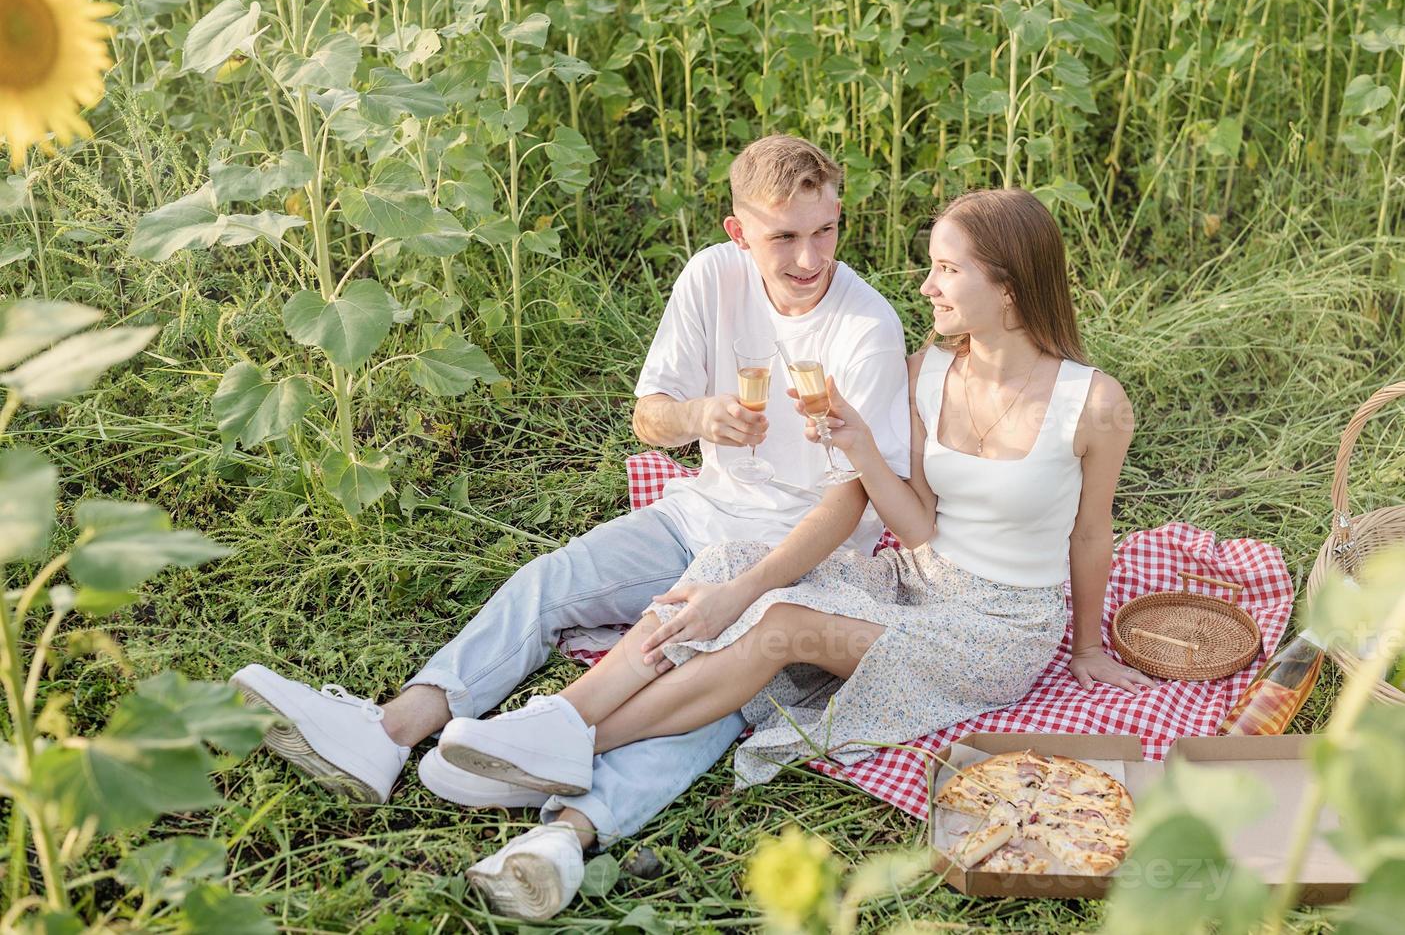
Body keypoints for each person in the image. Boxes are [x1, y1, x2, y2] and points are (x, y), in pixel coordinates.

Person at [228, 135, 912, 921]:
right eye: (782, 237)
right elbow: (650, 417)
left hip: (797, 558)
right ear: (737, 232)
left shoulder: (865, 326)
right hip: (696, 514)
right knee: (550, 579)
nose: (806, 258)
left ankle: (563, 837)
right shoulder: (710, 277)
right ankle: (389, 730)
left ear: (838, 215)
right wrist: (699, 416)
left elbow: (852, 501)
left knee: (700, 684)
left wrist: (740, 594)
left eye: (823, 231)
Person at [435, 188, 1153, 890]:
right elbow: (919, 529)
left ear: (1009, 286)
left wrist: (1085, 650)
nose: (925, 284)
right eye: (931, 265)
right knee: (731, 570)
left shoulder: (1092, 403)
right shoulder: (928, 371)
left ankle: (567, 743)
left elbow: (1091, 533)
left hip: (995, 632)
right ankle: (563, 759)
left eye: (947, 269)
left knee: (777, 626)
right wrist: (860, 445)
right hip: (912, 582)